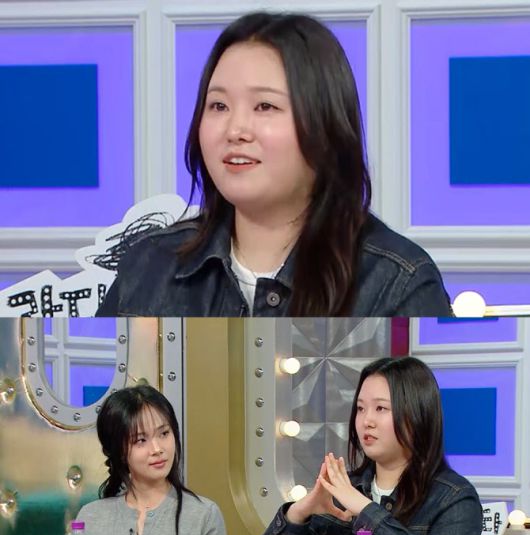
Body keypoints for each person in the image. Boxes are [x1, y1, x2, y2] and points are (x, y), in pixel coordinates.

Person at [96, 12, 451, 318]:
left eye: (265, 106)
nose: (235, 130)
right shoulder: (149, 265)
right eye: (218, 106)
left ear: (325, 124)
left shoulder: (397, 282)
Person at [258, 355, 483, 535]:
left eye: (381, 408)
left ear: (418, 414)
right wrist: (299, 512)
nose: (367, 421)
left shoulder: (455, 498)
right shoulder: (343, 492)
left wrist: (366, 511)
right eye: (361, 409)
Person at [76, 383, 228, 535]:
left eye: (164, 434)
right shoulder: (90, 518)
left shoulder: (203, 516)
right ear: (119, 451)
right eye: (140, 440)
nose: (157, 449)